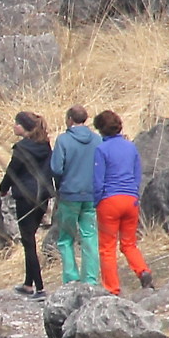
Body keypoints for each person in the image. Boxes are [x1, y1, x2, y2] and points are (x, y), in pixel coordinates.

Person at [91, 109, 155, 295]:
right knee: (129, 243)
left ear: (101, 130)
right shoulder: (130, 147)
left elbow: (98, 180)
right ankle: (143, 271)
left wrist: (97, 201)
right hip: (130, 199)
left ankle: (112, 288)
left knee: (107, 248)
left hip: (109, 201)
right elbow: (137, 175)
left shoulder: (101, 150)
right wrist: (134, 195)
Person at [48, 106, 102, 285]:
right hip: (91, 194)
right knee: (90, 236)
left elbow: (56, 168)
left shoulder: (63, 140)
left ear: (70, 119)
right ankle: (91, 279)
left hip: (70, 194)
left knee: (66, 238)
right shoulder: (97, 139)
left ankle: (71, 278)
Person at [3, 111, 54, 297]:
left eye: (17, 123)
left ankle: (38, 287)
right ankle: (27, 283)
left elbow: (12, 172)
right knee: (30, 237)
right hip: (42, 197)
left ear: (24, 127)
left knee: (28, 241)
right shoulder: (46, 146)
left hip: (25, 196)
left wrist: (3, 188)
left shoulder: (22, 148)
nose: (14, 126)